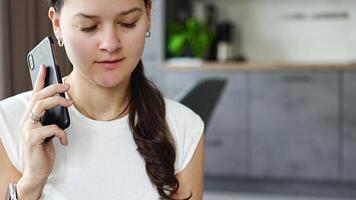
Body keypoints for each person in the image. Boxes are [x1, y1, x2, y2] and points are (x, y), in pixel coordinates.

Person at [0, 0, 205, 199]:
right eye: (88, 27)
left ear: (148, 14)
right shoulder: (7, 123)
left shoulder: (185, 128)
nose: (110, 44)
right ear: (57, 24)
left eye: (128, 23)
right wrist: (32, 183)